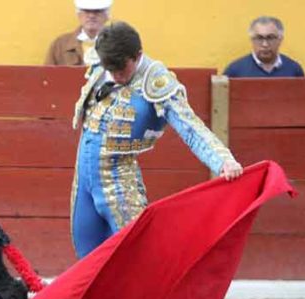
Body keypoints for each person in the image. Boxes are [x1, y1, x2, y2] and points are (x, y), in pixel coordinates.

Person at [71, 21, 243, 258]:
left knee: (134, 257)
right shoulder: (103, 64)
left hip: (119, 182)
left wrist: (223, 160)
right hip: (83, 181)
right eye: (111, 70)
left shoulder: (157, 81)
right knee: (86, 258)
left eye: (122, 70)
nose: (116, 76)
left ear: (138, 55)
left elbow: (190, 127)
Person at [223, 16, 304, 78]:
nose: (265, 44)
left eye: (270, 37)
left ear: (280, 39)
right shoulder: (235, 70)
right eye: (259, 38)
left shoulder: (294, 69)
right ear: (252, 40)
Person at [44, 0, 112, 66]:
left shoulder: (119, 44)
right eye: (86, 11)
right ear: (78, 14)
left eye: (97, 11)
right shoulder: (60, 45)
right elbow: (46, 75)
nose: (91, 16)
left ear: (107, 15)